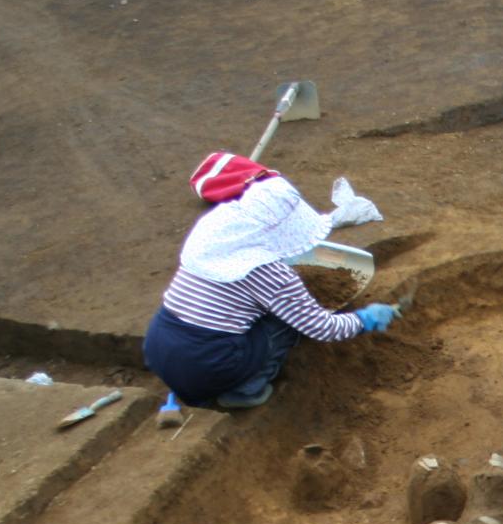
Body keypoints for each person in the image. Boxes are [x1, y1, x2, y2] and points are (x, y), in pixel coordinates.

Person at [144, 155, 397, 410]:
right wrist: (365, 319)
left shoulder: (212, 241)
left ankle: (195, 381)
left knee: (243, 319)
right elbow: (323, 328)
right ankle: (245, 390)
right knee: (285, 324)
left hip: (159, 346)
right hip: (211, 363)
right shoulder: (271, 275)